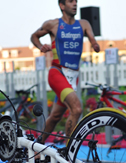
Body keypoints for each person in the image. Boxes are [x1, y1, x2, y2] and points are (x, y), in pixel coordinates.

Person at [30, 0, 100, 143]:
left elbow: (92, 39)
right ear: (62, 6)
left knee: (55, 116)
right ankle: (69, 150)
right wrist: (40, 46)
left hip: (73, 76)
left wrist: (95, 45)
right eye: (70, 1)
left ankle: (36, 147)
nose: (74, 4)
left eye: (76, 1)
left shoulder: (84, 24)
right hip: (57, 73)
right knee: (77, 109)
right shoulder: (53, 24)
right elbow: (34, 36)